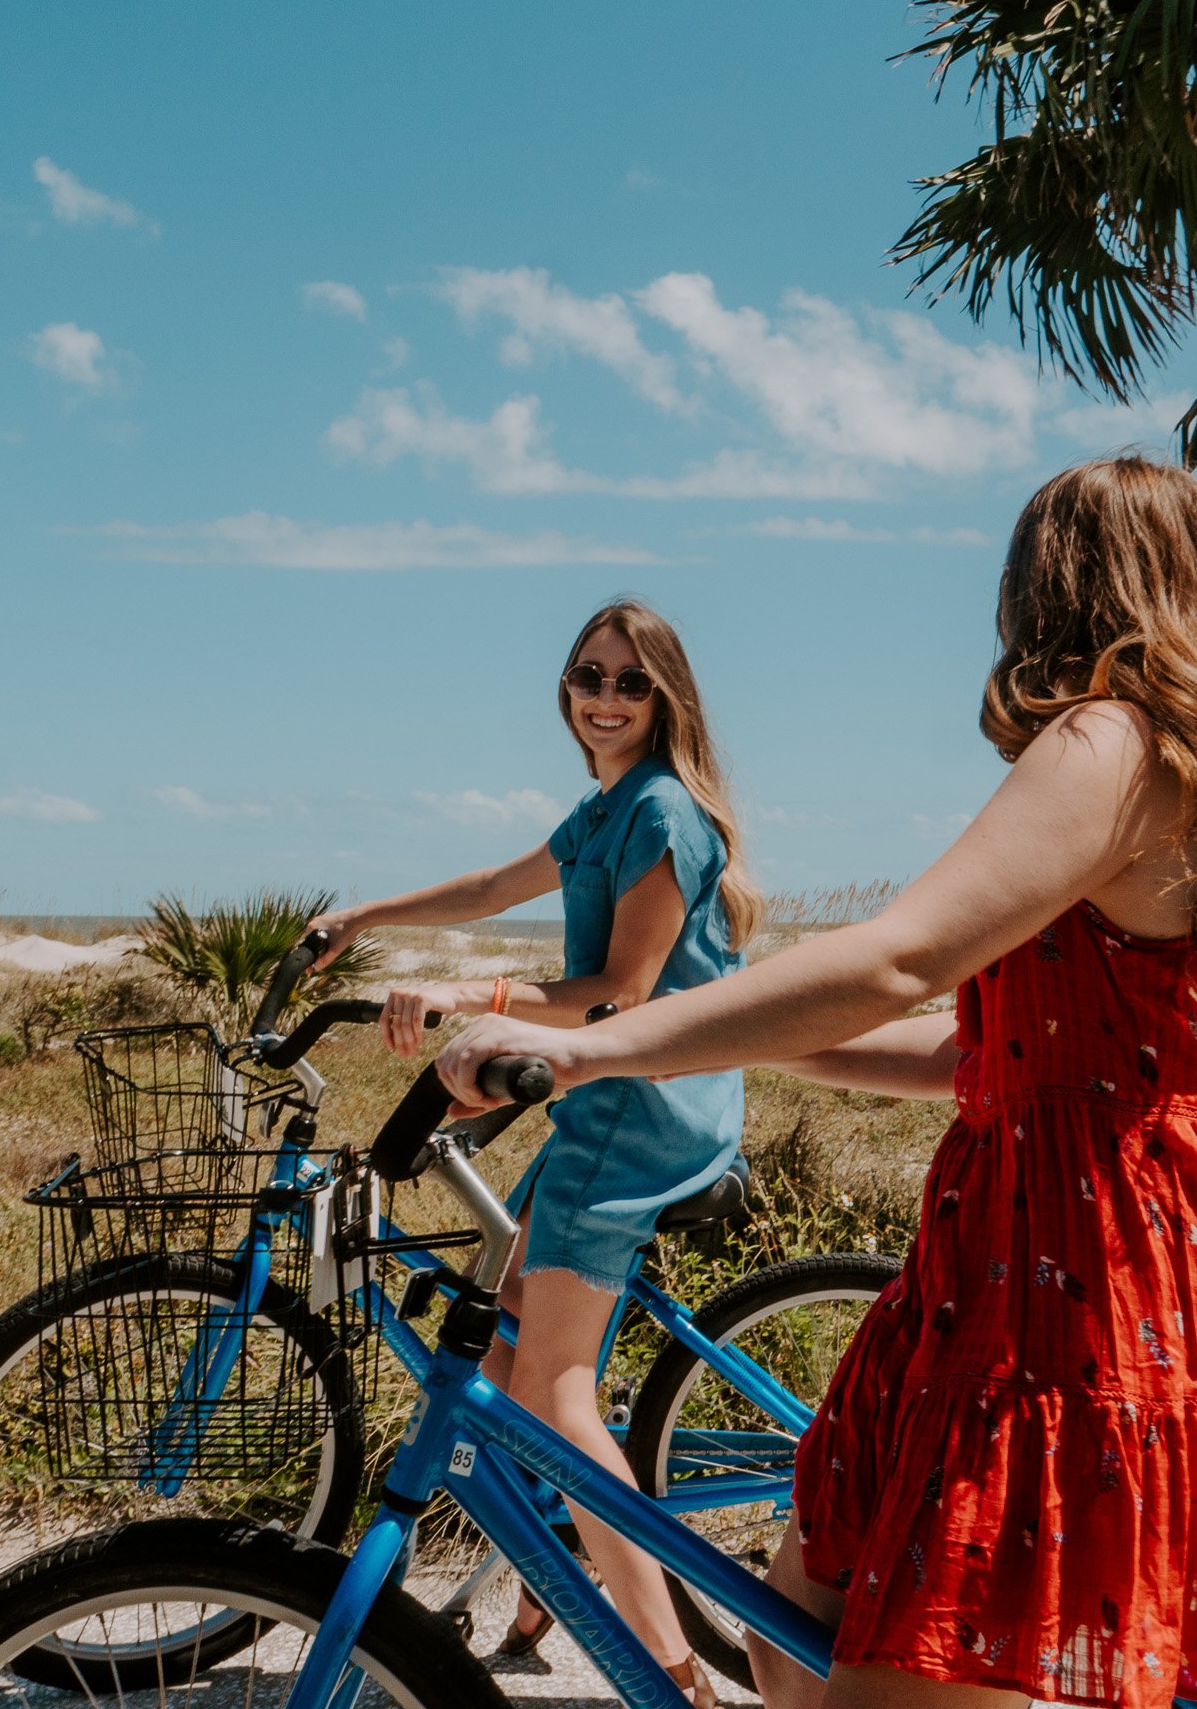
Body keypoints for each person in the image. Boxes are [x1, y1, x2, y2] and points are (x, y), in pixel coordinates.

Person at [437, 455, 1197, 1709]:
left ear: (1046, 584)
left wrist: (592, 1043)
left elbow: (901, 956)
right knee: (788, 1651)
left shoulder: (1107, 740)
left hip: (1076, 1285)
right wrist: (739, 1033)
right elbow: (991, 1055)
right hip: (1045, 1261)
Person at [305, 597, 761, 1705]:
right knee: (505, 1356)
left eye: (628, 682)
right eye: (586, 677)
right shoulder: (608, 805)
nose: (602, 698)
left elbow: (622, 993)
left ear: (667, 699)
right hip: (609, 1103)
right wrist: (362, 916)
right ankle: (542, 1586)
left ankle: (675, 1682)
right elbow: (486, 890)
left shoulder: (659, 813)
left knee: (552, 1397)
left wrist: (472, 993)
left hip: (638, 1116)